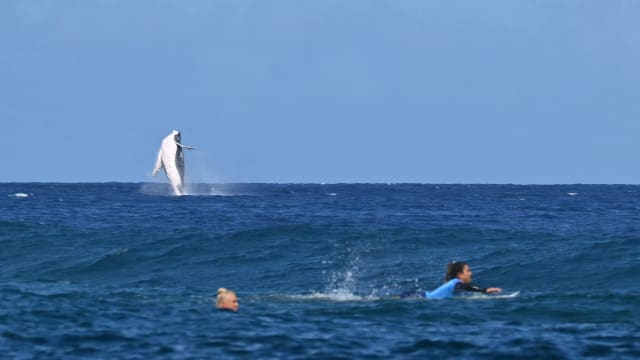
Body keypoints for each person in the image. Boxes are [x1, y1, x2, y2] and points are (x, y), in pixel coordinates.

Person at [401, 261, 502, 299]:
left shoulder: (453, 283)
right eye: (468, 271)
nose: (471, 273)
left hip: (420, 295)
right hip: (418, 297)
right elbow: (464, 287)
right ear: (459, 275)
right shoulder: (456, 283)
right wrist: (484, 290)